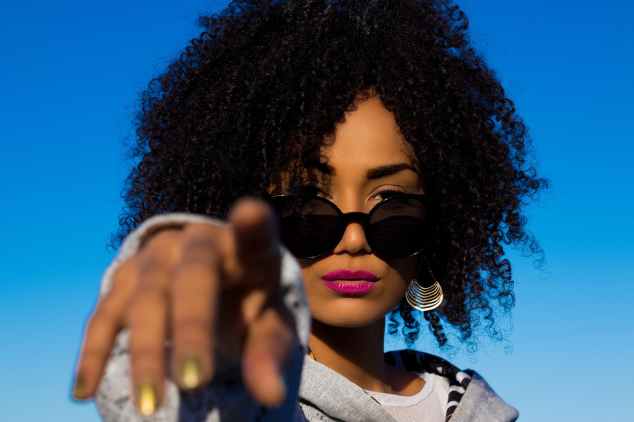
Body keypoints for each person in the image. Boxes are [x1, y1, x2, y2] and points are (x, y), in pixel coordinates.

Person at [71, 1, 547, 421]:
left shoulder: (474, 407)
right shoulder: (245, 401)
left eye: (392, 206)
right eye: (304, 209)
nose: (354, 240)